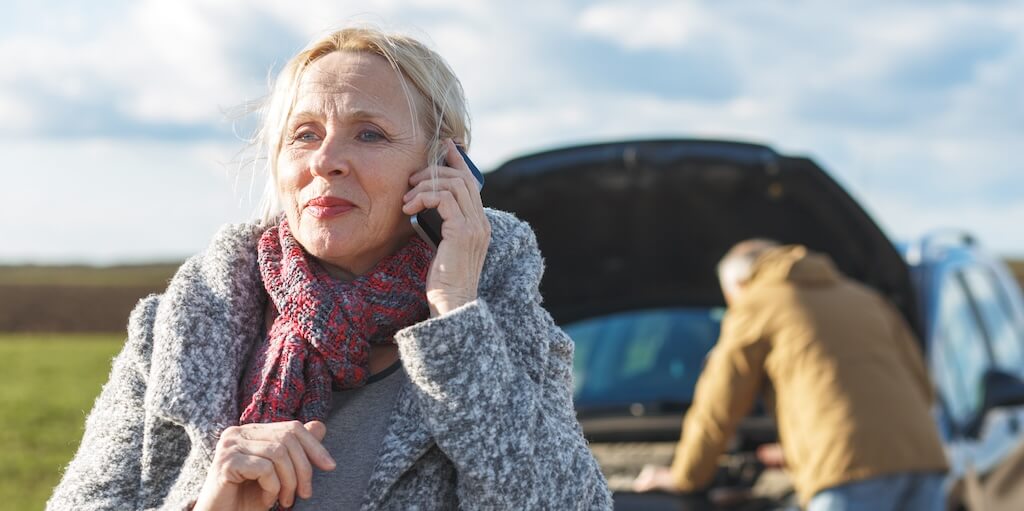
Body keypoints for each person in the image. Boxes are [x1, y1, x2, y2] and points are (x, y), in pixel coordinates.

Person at [47, 27, 612, 511]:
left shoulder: (497, 331)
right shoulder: (179, 329)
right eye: (305, 135)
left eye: (369, 133)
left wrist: (455, 312)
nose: (325, 160)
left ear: (446, 164)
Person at [633, 239, 948, 511]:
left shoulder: (759, 301)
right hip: (924, 459)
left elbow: (720, 400)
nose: (733, 309)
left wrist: (685, 476)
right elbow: (922, 385)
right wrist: (800, 448)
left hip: (849, 472)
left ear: (740, 285)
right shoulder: (865, 298)